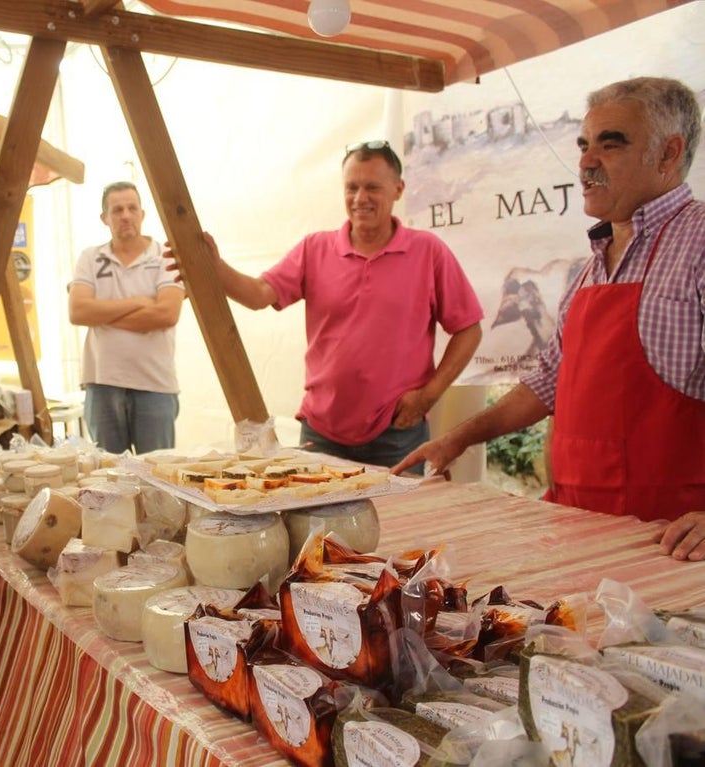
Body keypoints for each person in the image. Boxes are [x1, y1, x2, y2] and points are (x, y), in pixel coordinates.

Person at [394, 76, 705, 562]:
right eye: (583, 145)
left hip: (671, 543)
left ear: (668, 154)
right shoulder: (589, 267)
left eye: (611, 143)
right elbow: (546, 383)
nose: (585, 162)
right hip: (576, 525)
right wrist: (457, 438)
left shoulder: (699, 241)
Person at [173, 142, 482, 471]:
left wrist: (428, 395)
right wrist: (214, 268)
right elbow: (259, 294)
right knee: (318, 525)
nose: (360, 198)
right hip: (322, 432)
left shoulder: (428, 252)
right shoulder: (315, 249)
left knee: (400, 523)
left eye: (372, 187)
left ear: (398, 189)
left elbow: (468, 329)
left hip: (397, 433)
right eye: (352, 187)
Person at [68, 181, 185, 454]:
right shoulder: (90, 257)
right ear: (104, 218)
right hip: (102, 384)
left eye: (132, 208)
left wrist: (101, 313)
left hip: (155, 384)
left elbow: (167, 314)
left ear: (142, 214)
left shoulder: (166, 257)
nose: (125, 215)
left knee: (157, 479)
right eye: (117, 209)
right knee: (109, 481)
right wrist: (139, 302)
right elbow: (78, 312)